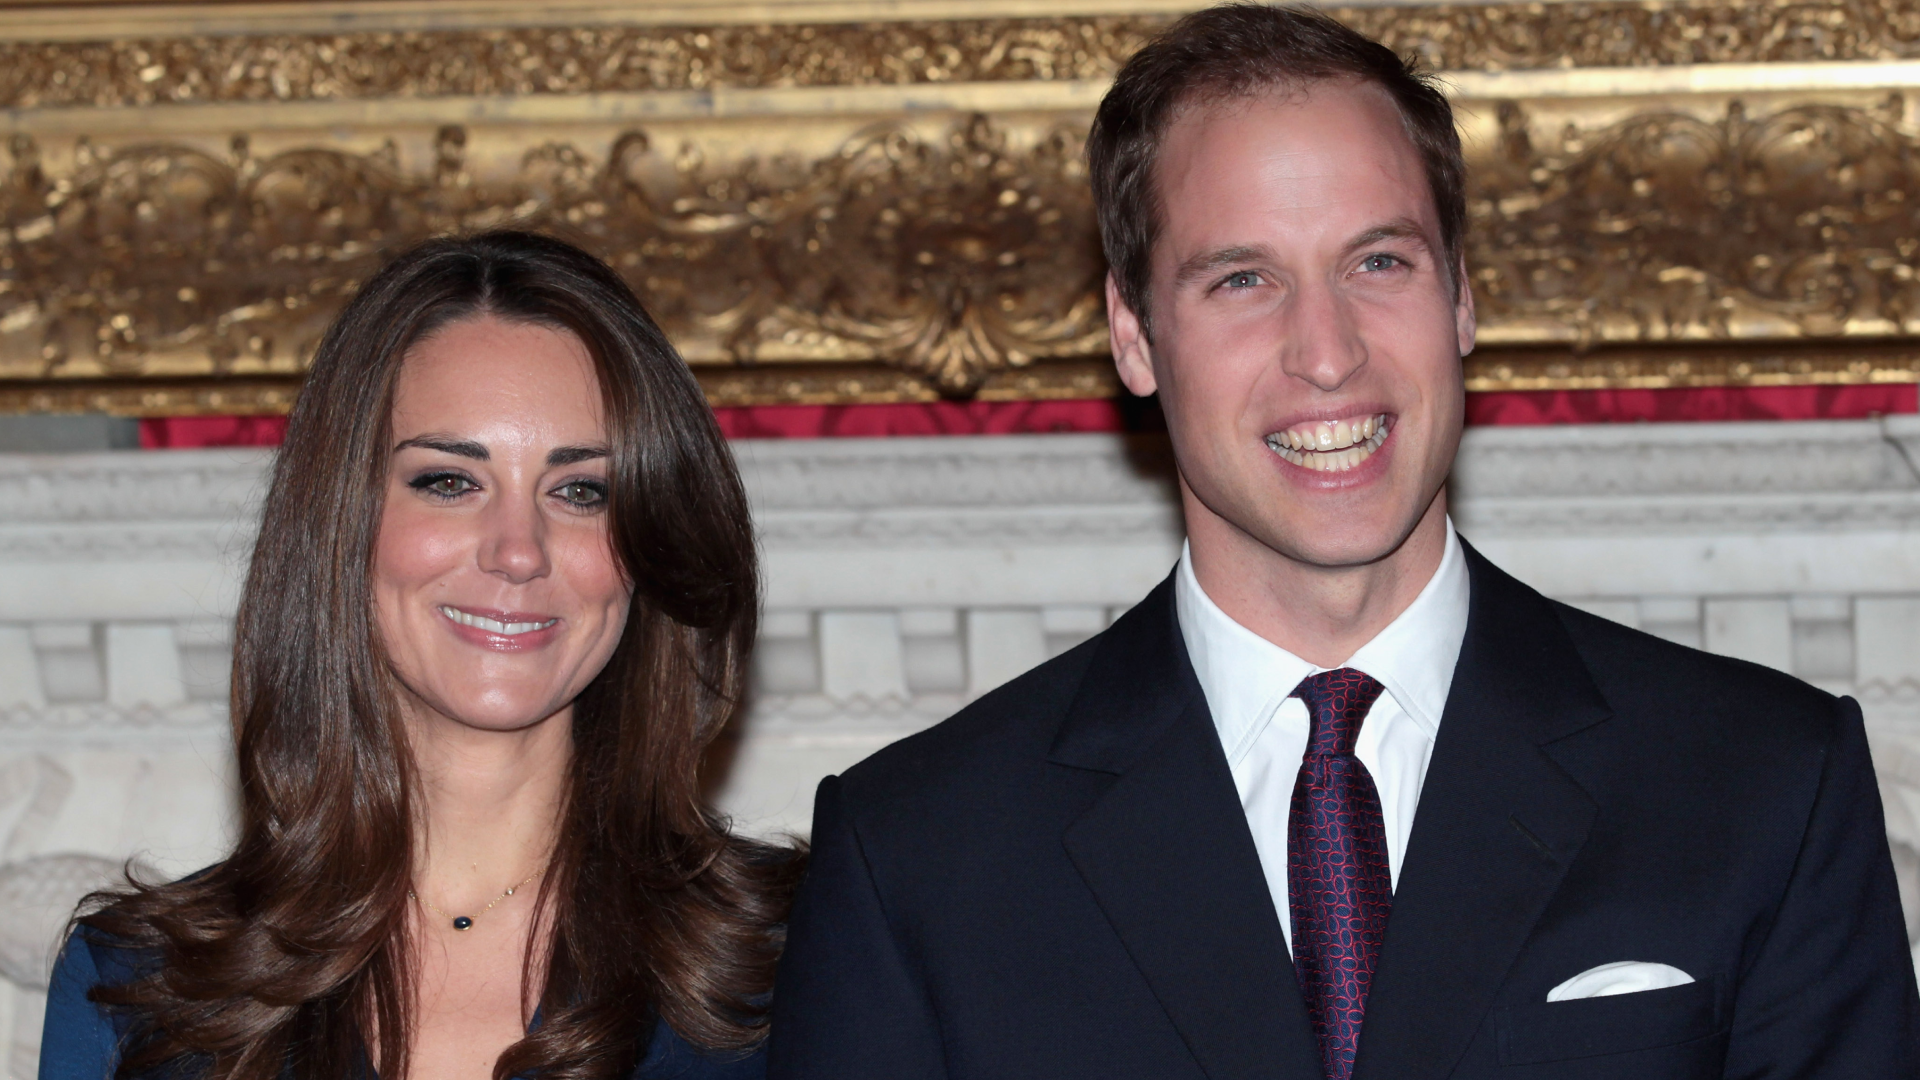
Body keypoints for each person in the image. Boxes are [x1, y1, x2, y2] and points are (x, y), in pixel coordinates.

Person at [768, 5, 1920, 1078]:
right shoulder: (917, 855)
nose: (1327, 352)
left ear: (1461, 296)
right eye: (1242, 279)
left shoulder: (1764, 783)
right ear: (1133, 334)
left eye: (1380, 263)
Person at [40, 231, 800, 1080]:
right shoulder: (142, 988)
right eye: (449, 480)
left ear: (649, 546)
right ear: (343, 523)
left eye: (583, 491)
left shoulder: (802, 953)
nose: (519, 551)